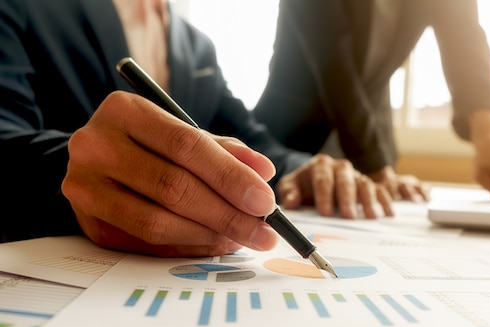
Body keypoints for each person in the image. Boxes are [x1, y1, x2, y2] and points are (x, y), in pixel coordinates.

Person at [0, 0, 395, 258]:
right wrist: (70, 170)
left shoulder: (196, 45)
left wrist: (302, 167)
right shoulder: (23, 8)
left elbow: (250, 139)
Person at [254, 0, 490, 204]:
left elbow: (465, 37)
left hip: (373, 145)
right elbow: (333, 62)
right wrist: (376, 165)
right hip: (289, 144)